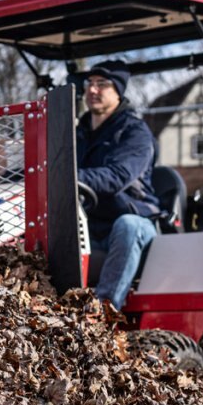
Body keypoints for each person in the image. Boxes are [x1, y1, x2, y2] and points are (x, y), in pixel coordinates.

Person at [76, 60, 160, 310]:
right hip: (90, 225)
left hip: (135, 224)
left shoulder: (135, 133)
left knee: (128, 225)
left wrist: (69, 178)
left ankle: (103, 313)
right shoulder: (75, 133)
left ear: (119, 91)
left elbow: (117, 176)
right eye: (89, 83)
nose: (92, 90)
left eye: (102, 84)